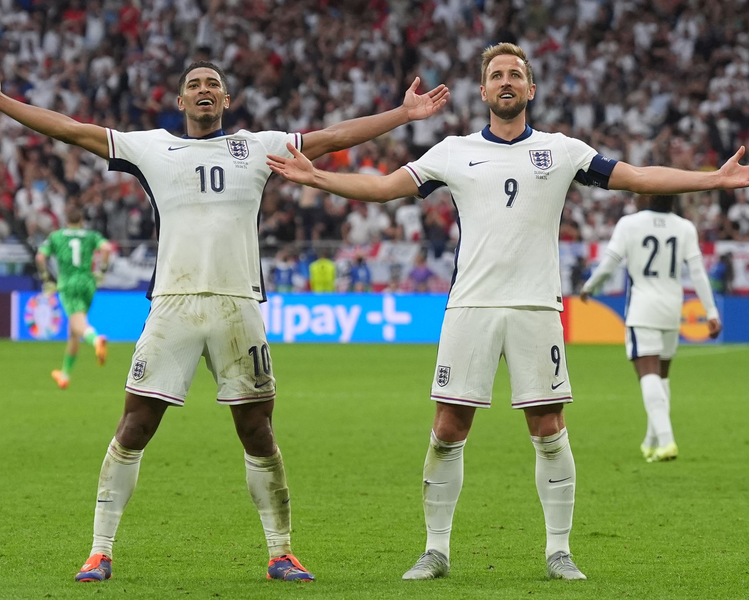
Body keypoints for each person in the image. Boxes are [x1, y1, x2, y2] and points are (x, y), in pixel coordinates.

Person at [267, 42, 749, 581]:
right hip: (470, 307)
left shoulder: (562, 150)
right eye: (496, 74)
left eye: (515, 75)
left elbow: (636, 176)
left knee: (549, 427)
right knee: (448, 426)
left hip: (535, 307)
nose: (506, 82)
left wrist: (712, 178)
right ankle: (436, 549)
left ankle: (559, 551)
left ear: (530, 89)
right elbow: (383, 188)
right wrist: (318, 177)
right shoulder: (453, 151)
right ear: (483, 90)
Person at [0, 57, 448, 583]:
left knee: (257, 430)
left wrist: (401, 114)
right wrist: (0, 102)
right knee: (135, 426)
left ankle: (281, 552)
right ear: (181, 101)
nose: (204, 90)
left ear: (227, 99)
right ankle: (100, 551)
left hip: (239, 307)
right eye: (194, 85)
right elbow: (72, 130)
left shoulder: (258, 147)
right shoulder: (151, 147)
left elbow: (330, 138)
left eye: (213, 84)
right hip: (173, 305)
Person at [580, 194, 722, 462]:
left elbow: (609, 264)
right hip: (672, 309)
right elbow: (698, 272)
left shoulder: (629, 223)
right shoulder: (684, 227)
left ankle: (667, 441)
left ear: (646, 196)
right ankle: (651, 442)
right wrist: (711, 312)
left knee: (648, 375)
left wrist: (589, 287)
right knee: (662, 376)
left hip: (642, 309)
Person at [36, 205, 111, 389]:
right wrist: (101, 271)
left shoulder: (56, 236)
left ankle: (96, 340)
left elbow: (40, 257)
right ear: (82, 221)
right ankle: (65, 375)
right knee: (73, 331)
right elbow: (107, 248)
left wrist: (46, 279)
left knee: (79, 323)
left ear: (66, 221)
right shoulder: (91, 235)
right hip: (88, 282)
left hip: (68, 284)